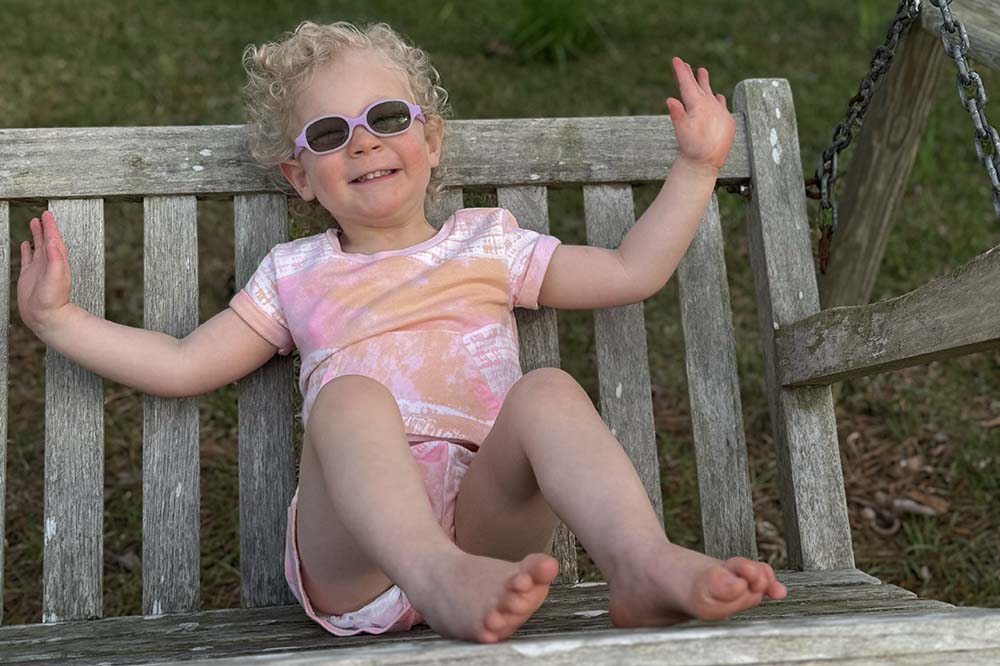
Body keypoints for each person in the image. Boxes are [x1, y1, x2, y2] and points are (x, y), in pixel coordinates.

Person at [16, 20, 786, 644]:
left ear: (433, 140)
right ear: (299, 178)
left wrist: (695, 166)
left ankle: (642, 563)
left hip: (490, 532)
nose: (364, 142)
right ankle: (431, 572)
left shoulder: (488, 244)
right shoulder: (294, 274)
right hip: (360, 554)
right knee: (348, 398)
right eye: (328, 133)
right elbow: (186, 362)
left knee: (546, 390)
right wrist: (59, 318)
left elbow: (629, 271)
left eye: (387, 118)